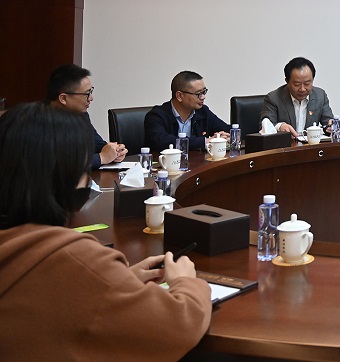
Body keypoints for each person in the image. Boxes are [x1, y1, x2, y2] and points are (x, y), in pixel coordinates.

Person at [0, 102, 211, 360]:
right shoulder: (74, 259)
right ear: (63, 175)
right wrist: (186, 282)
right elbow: (178, 327)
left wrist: (116, 280)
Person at [46, 64, 126, 168]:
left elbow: (97, 144)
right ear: (63, 98)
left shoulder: (81, 115)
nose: (91, 98)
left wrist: (115, 151)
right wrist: (102, 158)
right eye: (86, 94)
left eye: (91, 91)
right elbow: (59, 163)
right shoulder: (40, 122)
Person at [144, 70, 230, 153]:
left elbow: (226, 128)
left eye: (204, 92)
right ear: (179, 96)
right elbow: (161, 141)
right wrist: (204, 142)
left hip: (196, 161)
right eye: (198, 94)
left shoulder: (202, 111)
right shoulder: (157, 115)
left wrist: (225, 136)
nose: (203, 97)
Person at [260, 57, 335, 139]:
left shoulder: (320, 96)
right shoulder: (273, 98)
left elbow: (328, 122)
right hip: (286, 145)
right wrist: (279, 126)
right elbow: (264, 126)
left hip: (310, 145)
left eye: (307, 83)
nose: (302, 89)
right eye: (297, 84)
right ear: (287, 81)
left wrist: (330, 126)